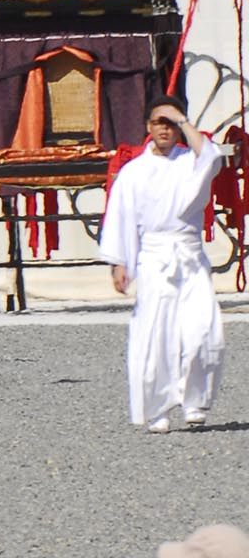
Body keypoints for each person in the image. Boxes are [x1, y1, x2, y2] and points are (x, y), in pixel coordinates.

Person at [99, 95, 225, 433]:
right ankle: (157, 408)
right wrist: (120, 262)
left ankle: (195, 401)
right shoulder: (133, 172)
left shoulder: (190, 160)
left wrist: (182, 119)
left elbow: (212, 156)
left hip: (189, 255)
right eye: (159, 122)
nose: (165, 129)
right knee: (156, 335)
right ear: (148, 127)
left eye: (170, 123)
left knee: (202, 330)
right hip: (155, 258)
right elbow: (120, 218)